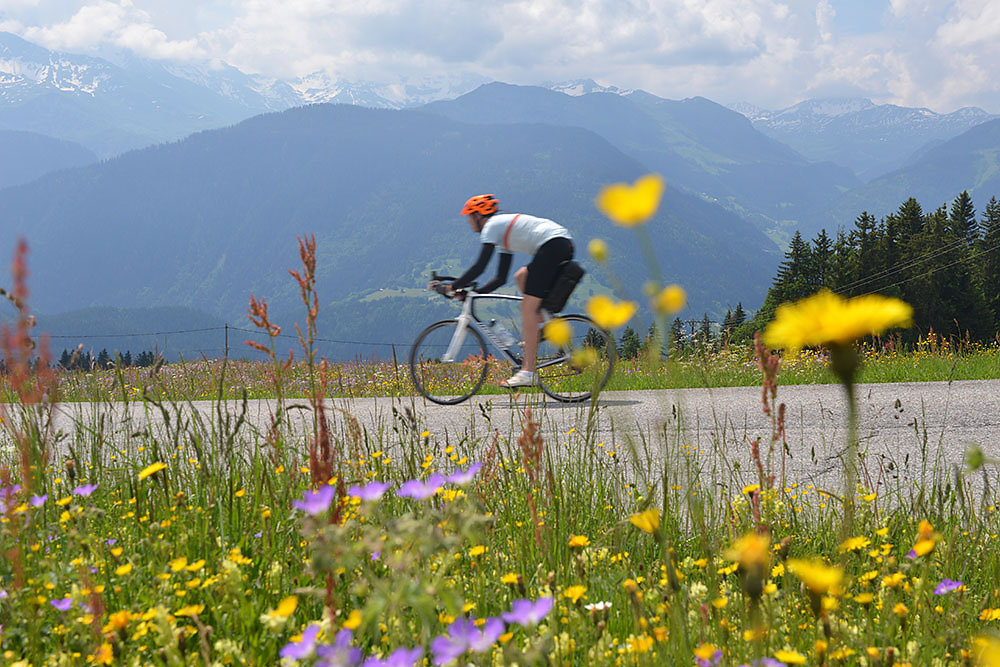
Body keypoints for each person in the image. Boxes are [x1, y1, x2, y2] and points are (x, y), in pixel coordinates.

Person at [438, 194, 574, 388]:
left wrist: (452, 286)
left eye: (469, 216)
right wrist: (474, 293)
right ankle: (544, 324)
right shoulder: (502, 234)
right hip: (559, 243)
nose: (468, 221)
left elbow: (480, 266)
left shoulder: (492, 226)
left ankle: (527, 372)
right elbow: (500, 278)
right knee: (521, 277)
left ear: (479, 215)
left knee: (527, 310)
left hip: (553, 244)